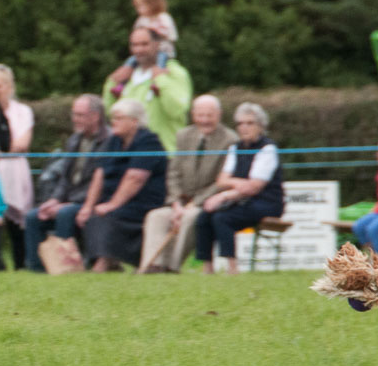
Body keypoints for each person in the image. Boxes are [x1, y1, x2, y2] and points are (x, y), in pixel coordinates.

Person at [140, 94, 237, 273]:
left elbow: (221, 181)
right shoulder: (184, 135)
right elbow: (174, 172)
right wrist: (176, 203)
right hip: (181, 200)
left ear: (219, 115)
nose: (205, 120)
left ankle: (171, 267)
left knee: (190, 217)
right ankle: (153, 265)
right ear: (193, 115)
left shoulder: (230, 140)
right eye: (201, 115)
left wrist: (194, 203)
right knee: (156, 216)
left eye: (210, 115)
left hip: (207, 202)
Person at [194, 103, 285, 275]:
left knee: (222, 217)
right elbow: (221, 180)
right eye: (240, 123)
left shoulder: (267, 148)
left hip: (266, 203)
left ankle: (232, 267)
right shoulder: (235, 147)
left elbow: (255, 187)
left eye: (250, 123)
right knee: (204, 216)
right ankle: (207, 267)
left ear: (261, 126)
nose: (244, 127)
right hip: (242, 201)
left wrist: (225, 194)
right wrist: (240, 185)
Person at [78, 99, 167, 272]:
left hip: (141, 201)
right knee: (89, 214)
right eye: (113, 118)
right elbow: (99, 173)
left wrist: (112, 205)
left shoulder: (149, 141)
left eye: (119, 118)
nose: (114, 122)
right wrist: (87, 206)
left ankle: (104, 262)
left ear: (134, 121)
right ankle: (100, 261)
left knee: (109, 215)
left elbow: (135, 178)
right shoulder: (113, 141)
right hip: (113, 199)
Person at [24, 95, 110, 272]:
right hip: (68, 200)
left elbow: (100, 181)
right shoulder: (74, 140)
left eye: (80, 115)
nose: (75, 119)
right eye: (74, 114)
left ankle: (65, 267)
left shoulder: (108, 141)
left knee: (64, 214)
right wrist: (54, 200)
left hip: (94, 201)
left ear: (95, 116)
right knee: (33, 216)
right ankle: (37, 269)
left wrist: (67, 204)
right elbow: (65, 177)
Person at [102, 27, 192, 151]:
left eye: (144, 44)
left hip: (164, 154)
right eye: (134, 45)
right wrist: (111, 83)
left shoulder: (175, 73)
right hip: (130, 154)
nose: (139, 50)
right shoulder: (127, 76)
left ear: (157, 44)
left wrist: (161, 80)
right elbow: (111, 113)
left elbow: (177, 110)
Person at [0, 63, 33, 270]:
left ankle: (21, 264)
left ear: (8, 86)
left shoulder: (22, 111)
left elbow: (20, 144)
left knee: (17, 222)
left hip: (14, 171)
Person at [121, 0, 178, 73]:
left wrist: (154, 30)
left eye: (141, 6)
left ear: (152, 4)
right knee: (129, 63)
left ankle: (157, 81)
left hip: (162, 51)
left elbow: (171, 35)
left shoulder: (163, 17)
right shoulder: (142, 20)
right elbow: (136, 33)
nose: (138, 10)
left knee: (160, 64)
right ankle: (122, 84)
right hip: (145, 53)